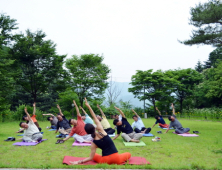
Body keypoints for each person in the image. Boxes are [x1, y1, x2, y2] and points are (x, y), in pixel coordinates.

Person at [70, 98, 131, 165]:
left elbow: (90, 158)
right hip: (117, 159)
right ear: (94, 127)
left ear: (87, 132)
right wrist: (88, 106)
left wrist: (78, 162)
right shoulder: (102, 131)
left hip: (105, 161)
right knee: (128, 154)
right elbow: (94, 117)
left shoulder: (93, 143)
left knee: (94, 155)